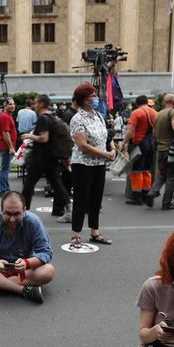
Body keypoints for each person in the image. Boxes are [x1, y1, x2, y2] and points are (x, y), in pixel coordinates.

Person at [0, 191, 55, 303]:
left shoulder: (33, 222)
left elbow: (46, 252)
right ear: (1, 210)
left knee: (48, 271)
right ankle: (23, 290)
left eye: (17, 214)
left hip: (24, 269)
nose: (12, 220)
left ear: (24, 210)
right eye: (8, 214)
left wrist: (27, 263)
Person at [67, 82, 115, 248]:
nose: (96, 98)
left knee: (96, 199)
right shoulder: (77, 119)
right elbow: (83, 146)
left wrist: (113, 148)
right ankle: (76, 234)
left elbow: (106, 137)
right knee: (81, 200)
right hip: (83, 165)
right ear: (85, 99)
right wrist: (106, 154)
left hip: (99, 164)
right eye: (93, 95)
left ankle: (95, 232)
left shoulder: (98, 115)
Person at [20, 94, 70, 214]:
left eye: (36, 103)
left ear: (42, 104)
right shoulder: (52, 116)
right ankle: (69, 208)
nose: (34, 105)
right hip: (51, 157)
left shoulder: (43, 118)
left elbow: (44, 138)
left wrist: (29, 136)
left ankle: (22, 211)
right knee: (57, 184)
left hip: (40, 158)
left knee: (28, 185)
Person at [149, 94, 174, 210]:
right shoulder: (173, 112)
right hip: (172, 149)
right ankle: (166, 202)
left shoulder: (158, 114)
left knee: (162, 174)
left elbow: (154, 133)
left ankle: (152, 192)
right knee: (172, 177)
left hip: (161, 148)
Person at [121, 95, 157, 206]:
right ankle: (146, 194)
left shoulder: (136, 113)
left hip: (139, 144)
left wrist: (124, 143)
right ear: (147, 102)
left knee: (137, 170)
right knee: (147, 170)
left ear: (137, 103)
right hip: (151, 143)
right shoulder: (155, 113)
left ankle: (137, 197)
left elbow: (130, 130)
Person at [0, 98, 17, 197]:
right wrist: (11, 147)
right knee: (5, 169)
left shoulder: (7, 116)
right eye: (10, 104)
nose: (12, 106)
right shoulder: (5, 117)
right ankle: (4, 190)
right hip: (6, 147)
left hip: (7, 146)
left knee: (6, 168)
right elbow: (5, 133)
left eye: (13, 104)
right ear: (4, 106)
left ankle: (5, 189)